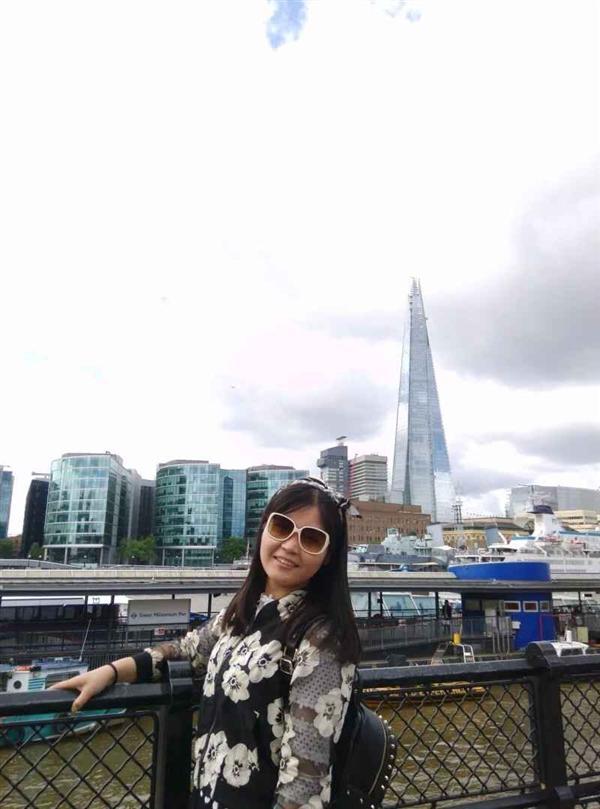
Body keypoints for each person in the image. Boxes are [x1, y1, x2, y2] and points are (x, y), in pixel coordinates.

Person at [51, 477, 361, 809]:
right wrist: (111, 672)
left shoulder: (322, 639)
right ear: (264, 529)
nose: (289, 545)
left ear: (327, 556)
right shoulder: (243, 613)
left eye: (311, 538)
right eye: (281, 527)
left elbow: (306, 775)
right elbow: (188, 650)